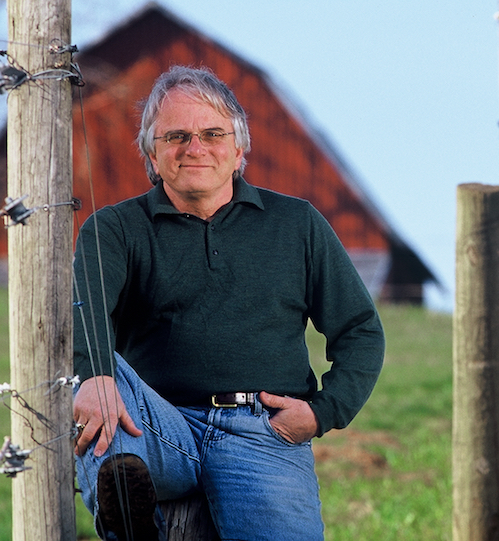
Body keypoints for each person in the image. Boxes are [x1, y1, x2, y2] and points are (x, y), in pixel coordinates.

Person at [72, 65, 385, 541]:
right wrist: (94, 375)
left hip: (262, 430)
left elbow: (360, 330)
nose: (194, 147)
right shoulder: (114, 228)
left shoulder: (296, 223)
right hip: (157, 427)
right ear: (151, 155)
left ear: (239, 150)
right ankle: (130, 521)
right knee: (88, 375)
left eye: (212, 133)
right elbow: (84, 312)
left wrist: (322, 412)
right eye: (175, 136)